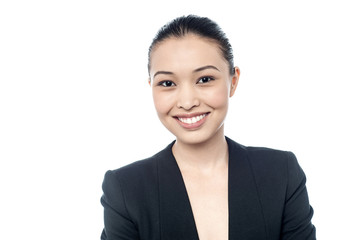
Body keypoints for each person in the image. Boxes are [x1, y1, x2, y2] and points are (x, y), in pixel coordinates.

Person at [100, 15, 316, 240]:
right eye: (167, 83)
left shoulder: (281, 173)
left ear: (233, 81)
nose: (187, 101)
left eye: (204, 79)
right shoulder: (125, 189)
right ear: (151, 87)